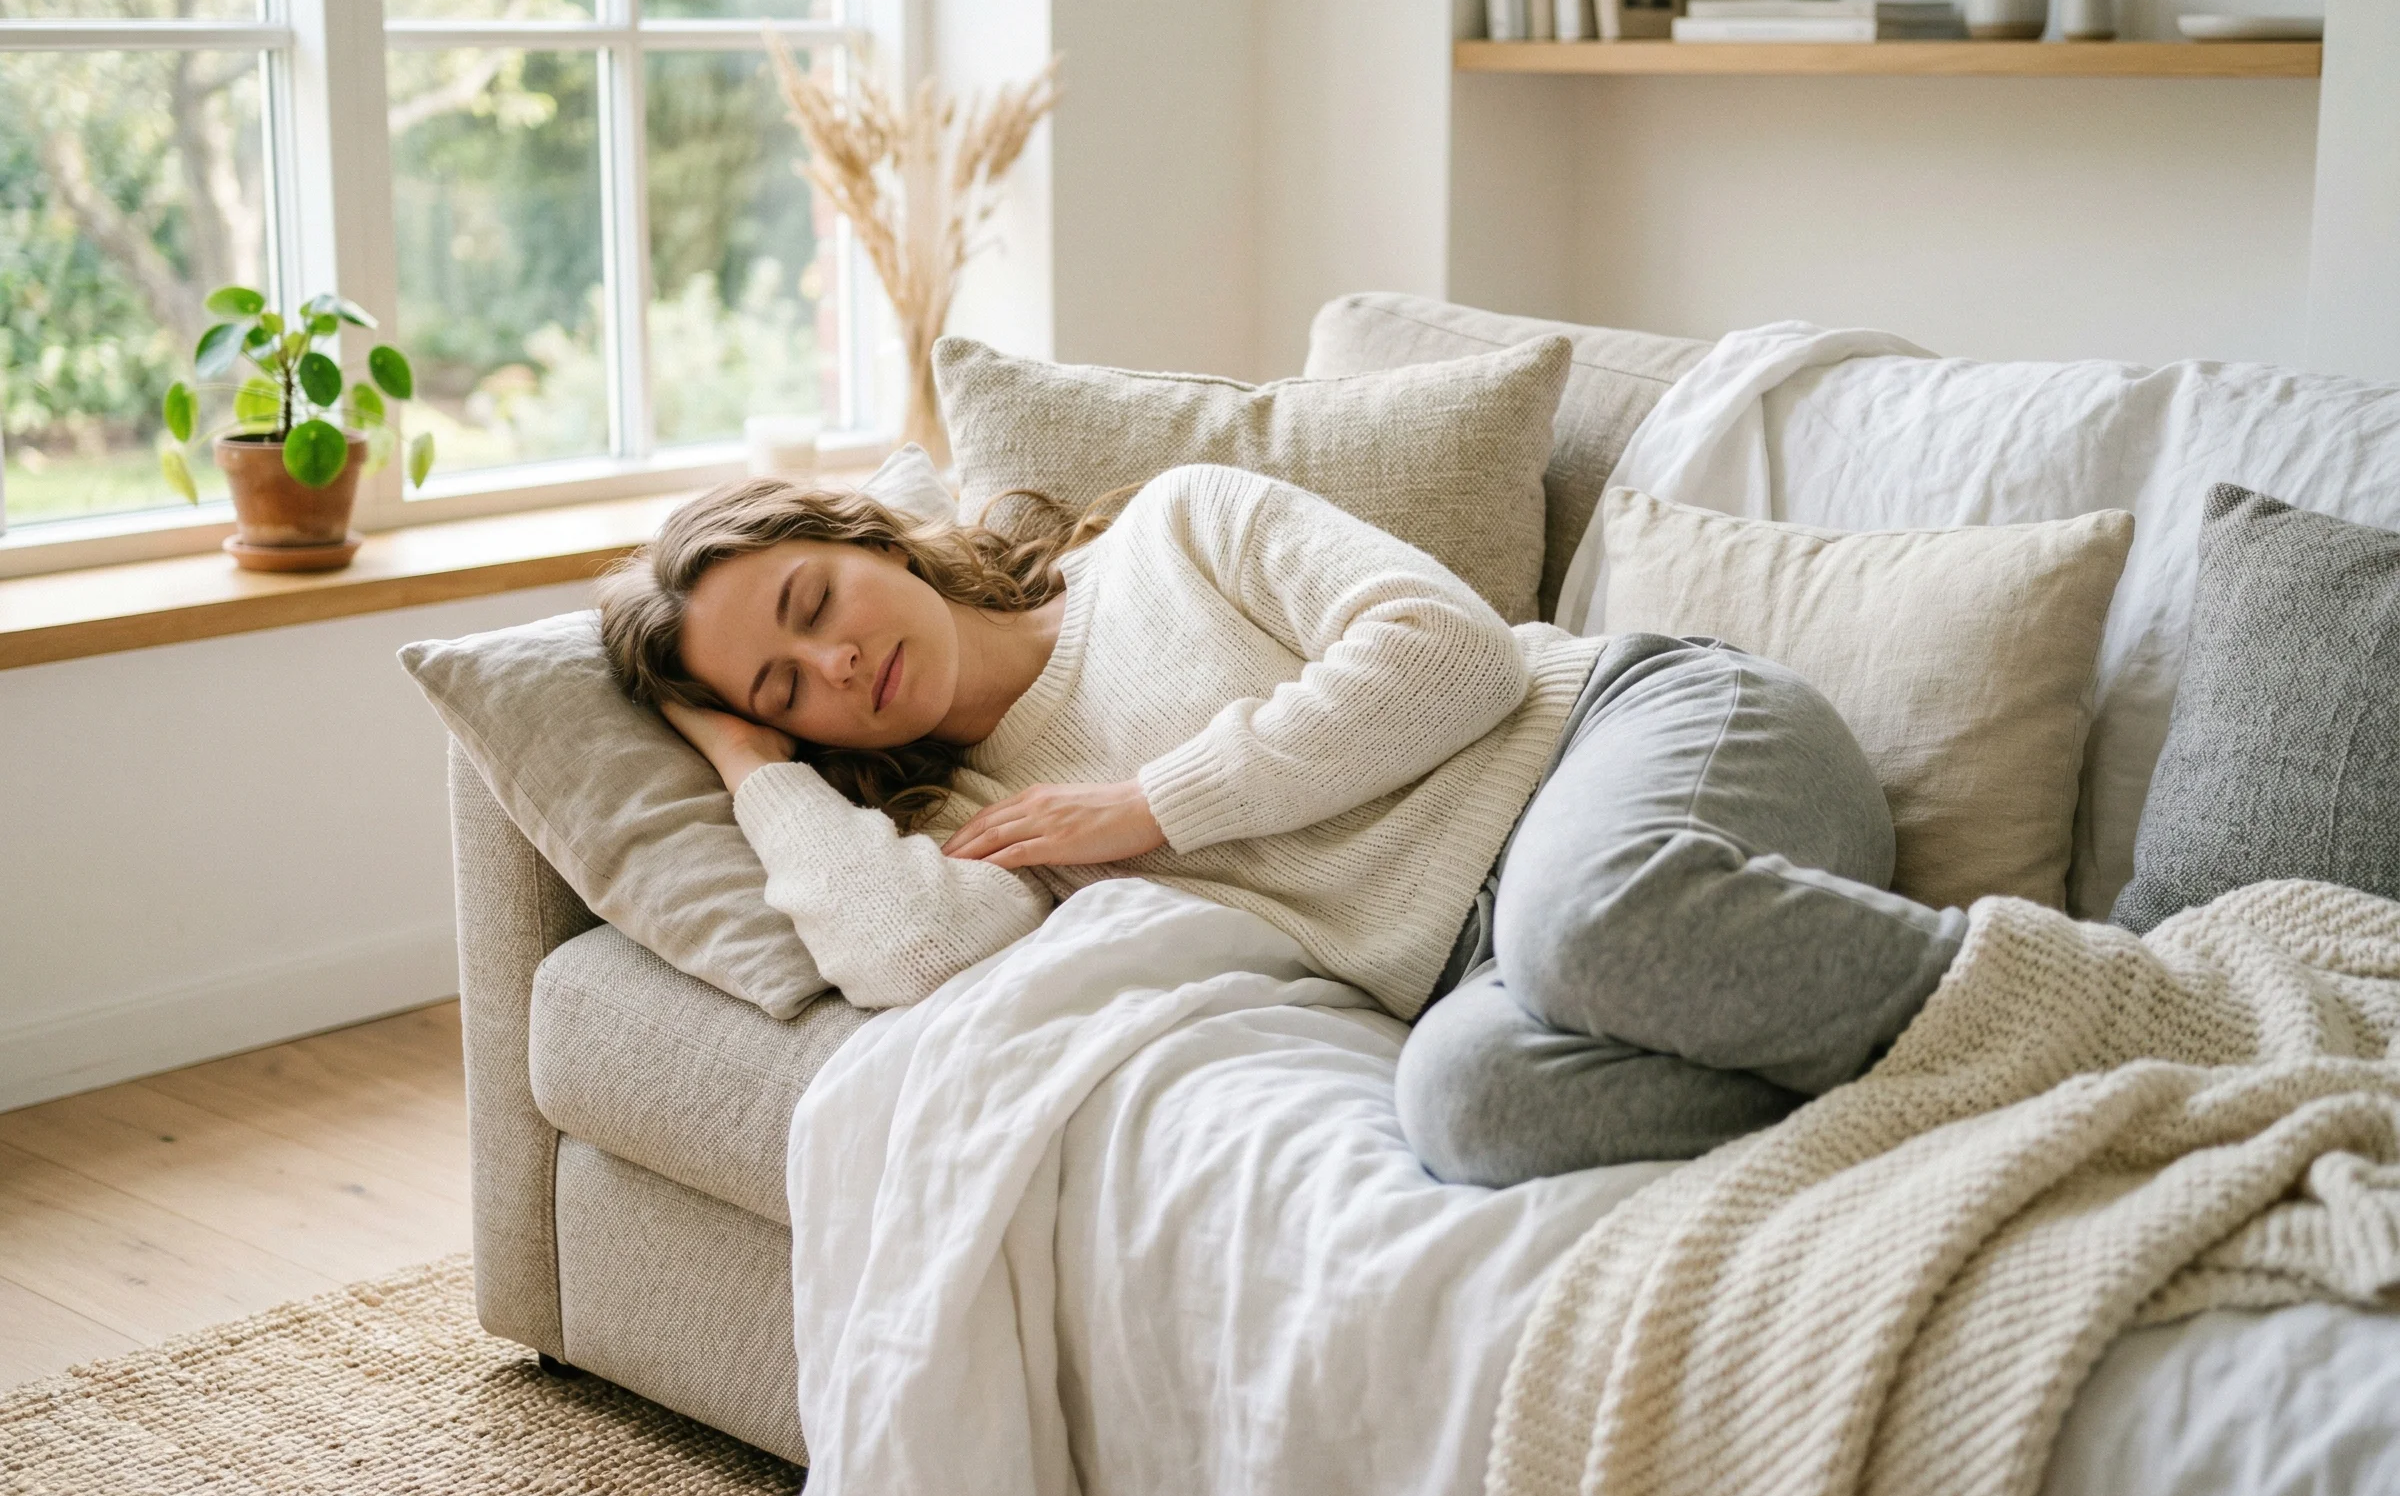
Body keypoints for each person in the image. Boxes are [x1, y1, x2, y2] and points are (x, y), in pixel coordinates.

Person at [598, 463, 1966, 1187]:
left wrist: (1151, 808)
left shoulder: (1175, 529)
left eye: (811, 606)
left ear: (873, 542)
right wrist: (745, 762)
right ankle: (1911, 1086)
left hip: (1651, 737)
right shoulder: (977, 821)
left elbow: (1453, 652)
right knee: (1466, 1106)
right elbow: (902, 955)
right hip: (1506, 968)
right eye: (785, 690)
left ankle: (2037, 998)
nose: (833, 666)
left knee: (1584, 916)